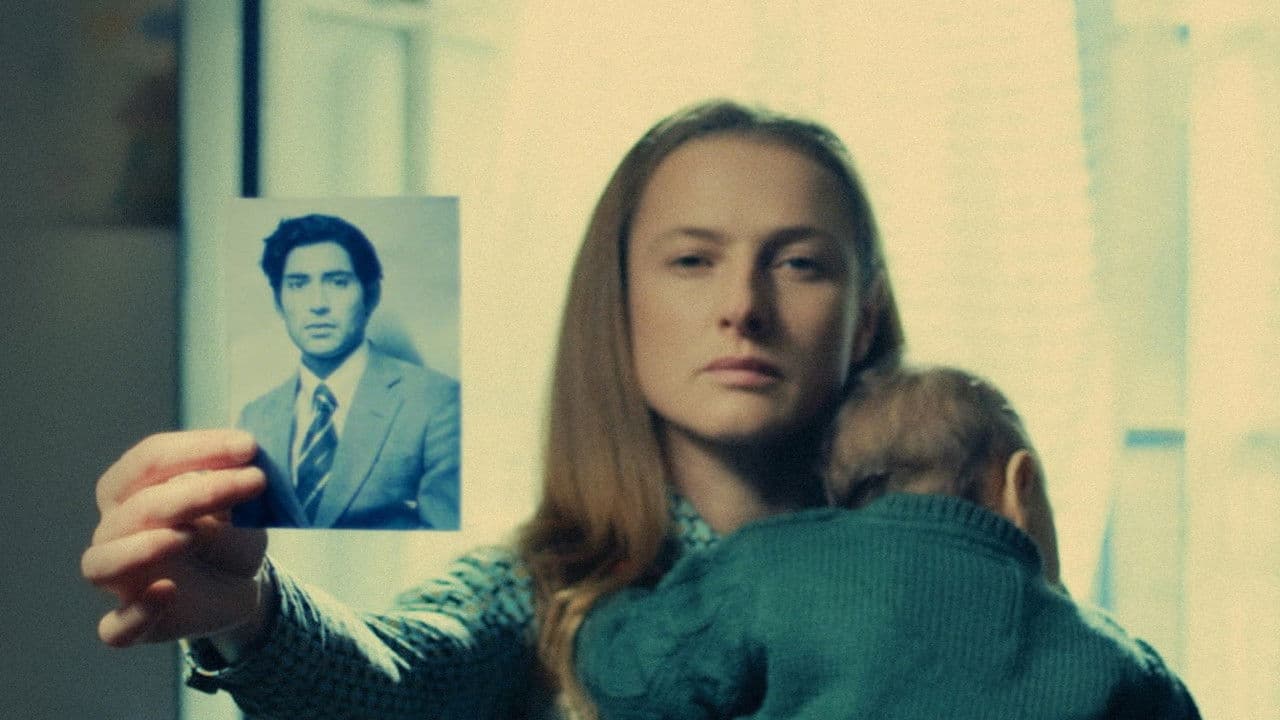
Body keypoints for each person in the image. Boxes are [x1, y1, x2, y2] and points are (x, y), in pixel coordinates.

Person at [80, 100, 904, 718]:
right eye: (692, 260)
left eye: (799, 264)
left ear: (864, 317)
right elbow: (399, 673)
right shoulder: (539, 594)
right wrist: (253, 613)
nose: (743, 307)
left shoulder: (938, 572)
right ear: (616, 302)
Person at [575, 366, 1201, 719]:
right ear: (1021, 487)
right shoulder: (1113, 660)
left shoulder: (769, 567)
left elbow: (639, 673)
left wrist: (600, 616)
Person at [233, 213, 460, 530]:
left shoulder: (436, 401)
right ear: (278, 301)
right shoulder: (255, 418)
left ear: (371, 295)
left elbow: (444, 534)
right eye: (298, 284)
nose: (318, 304)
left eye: (338, 282)